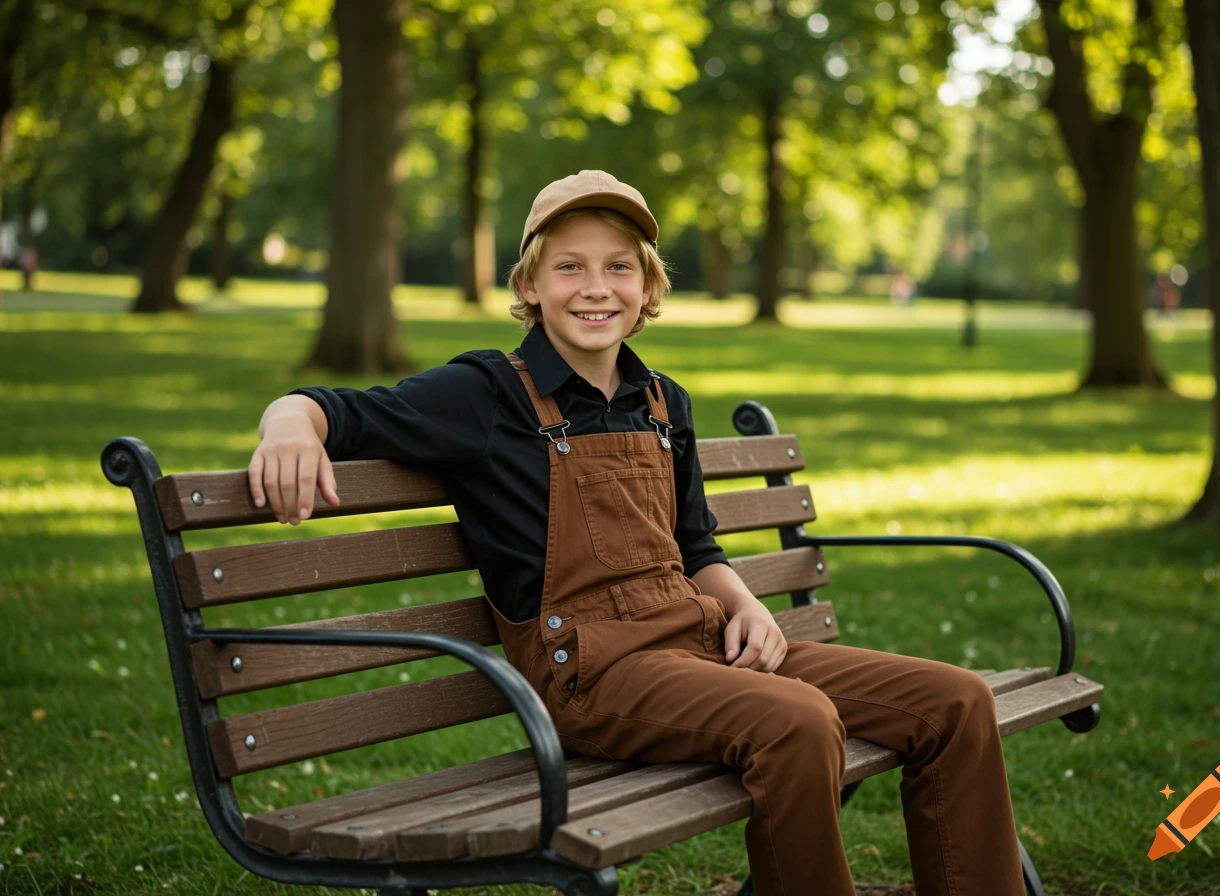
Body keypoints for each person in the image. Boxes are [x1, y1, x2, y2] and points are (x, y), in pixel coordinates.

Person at [248, 170, 1026, 896]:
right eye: (569, 268)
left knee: (954, 701)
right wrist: (289, 423)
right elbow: (341, 410)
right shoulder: (485, 393)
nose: (596, 288)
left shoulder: (662, 402)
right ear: (527, 285)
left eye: (619, 267)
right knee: (797, 720)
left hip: (695, 642)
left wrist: (749, 607)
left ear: (649, 287)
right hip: (590, 674)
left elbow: (696, 549)